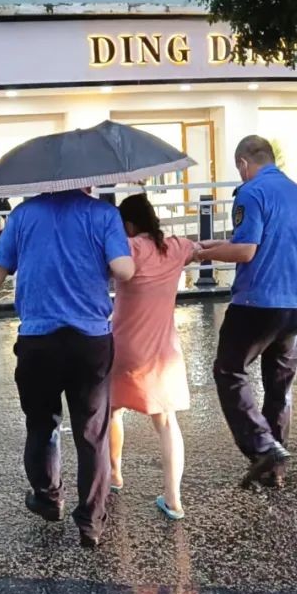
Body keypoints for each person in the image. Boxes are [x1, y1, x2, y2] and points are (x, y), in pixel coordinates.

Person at [0, 189, 134, 548]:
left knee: (41, 425)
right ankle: (91, 523)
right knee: (92, 433)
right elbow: (123, 270)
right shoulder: (103, 214)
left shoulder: (23, 215)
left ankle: (49, 498)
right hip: (90, 341)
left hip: (38, 342)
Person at [198, 135, 297, 489]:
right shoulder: (294, 191)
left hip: (257, 303)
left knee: (228, 370)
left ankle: (263, 446)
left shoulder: (251, 192)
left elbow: (247, 250)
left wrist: (202, 254)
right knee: (279, 388)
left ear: (244, 163)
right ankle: (274, 468)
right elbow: (261, 242)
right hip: (295, 304)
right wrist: (212, 246)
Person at [107, 194, 200, 520]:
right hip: (162, 352)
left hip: (124, 347)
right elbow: (199, 248)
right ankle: (174, 499)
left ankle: (115, 474)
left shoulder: (129, 248)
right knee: (167, 422)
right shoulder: (174, 247)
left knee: (112, 410)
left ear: (129, 225)